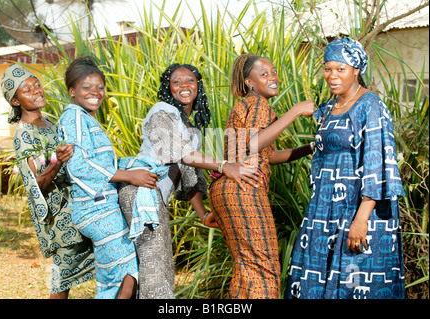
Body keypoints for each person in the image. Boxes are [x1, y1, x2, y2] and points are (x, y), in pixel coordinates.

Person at [118, 63, 263, 298]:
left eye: (190, 80)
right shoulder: (162, 110)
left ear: (198, 86)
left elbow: (190, 178)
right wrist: (225, 166)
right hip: (139, 191)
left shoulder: (192, 132)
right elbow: (177, 152)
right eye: (177, 82)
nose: (184, 85)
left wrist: (204, 215)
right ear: (169, 88)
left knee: (143, 266)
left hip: (153, 196)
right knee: (157, 264)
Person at [284, 36, 405, 299]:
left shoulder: (370, 106)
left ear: (356, 70)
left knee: (354, 283)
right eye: (328, 68)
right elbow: (320, 152)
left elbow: (378, 163)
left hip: (358, 209)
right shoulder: (329, 108)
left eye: (341, 69)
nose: (332, 75)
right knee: (313, 281)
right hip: (323, 209)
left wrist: (361, 219)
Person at [208, 53, 315, 299]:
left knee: (247, 268)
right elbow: (256, 144)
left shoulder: (245, 106)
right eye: (264, 74)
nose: (273, 78)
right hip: (244, 189)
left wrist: (308, 149)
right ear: (249, 83)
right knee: (264, 267)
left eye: (274, 72)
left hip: (226, 188)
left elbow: (267, 154)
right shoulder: (258, 104)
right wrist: (296, 111)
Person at [57, 56, 158, 299]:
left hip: (102, 206)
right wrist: (130, 176)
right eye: (87, 87)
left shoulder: (85, 117)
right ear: (72, 91)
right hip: (95, 208)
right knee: (122, 275)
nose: (95, 93)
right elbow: (79, 167)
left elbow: (99, 163)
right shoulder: (73, 117)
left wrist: (136, 165)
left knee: (122, 274)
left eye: (100, 87)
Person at [1, 63, 95, 299]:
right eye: (28, 90)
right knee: (62, 280)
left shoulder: (51, 124)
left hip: (78, 203)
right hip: (59, 215)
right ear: (15, 101)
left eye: (37, 85)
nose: (37, 91)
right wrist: (58, 162)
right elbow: (37, 185)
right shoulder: (24, 135)